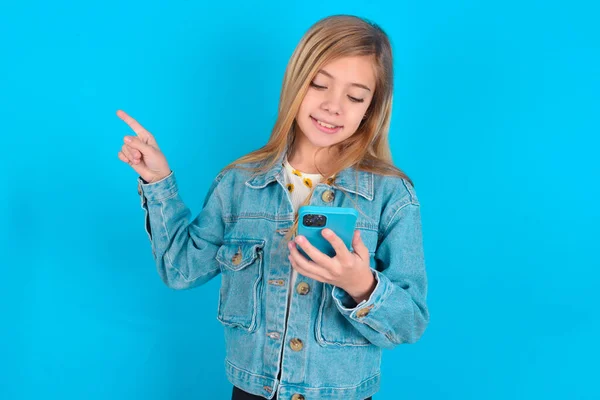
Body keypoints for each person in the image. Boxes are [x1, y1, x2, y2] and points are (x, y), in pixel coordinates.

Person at [117, 14, 429, 400]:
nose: (334, 106)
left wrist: (358, 284)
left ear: (371, 107)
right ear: (296, 83)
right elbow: (181, 270)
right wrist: (158, 182)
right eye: (319, 84)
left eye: (354, 96)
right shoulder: (239, 183)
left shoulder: (390, 196)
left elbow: (410, 322)